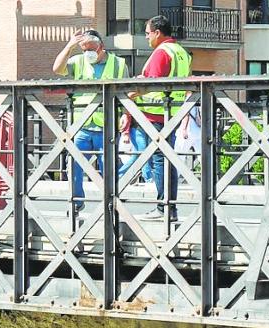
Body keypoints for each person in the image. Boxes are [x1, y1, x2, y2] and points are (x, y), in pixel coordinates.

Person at [52, 29, 129, 212]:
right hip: (82, 124)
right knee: (74, 164)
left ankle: (110, 204)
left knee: (107, 169)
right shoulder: (79, 61)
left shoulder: (118, 64)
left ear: (101, 46)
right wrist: (70, 46)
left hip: (106, 125)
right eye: (84, 49)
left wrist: (127, 114)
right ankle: (77, 201)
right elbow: (57, 69)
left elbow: (125, 92)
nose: (88, 53)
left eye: (91, 49)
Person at [124, 15, 192, 221]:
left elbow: (151, 84)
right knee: (167, 159)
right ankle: (170, 208)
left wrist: (128, 96)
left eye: (147, 33)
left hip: (155, 112)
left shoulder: (162, 52)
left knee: (159, 160)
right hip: (172, 112)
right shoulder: (181, 52)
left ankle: (164, 208)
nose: (146, 37)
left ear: (157, 33)